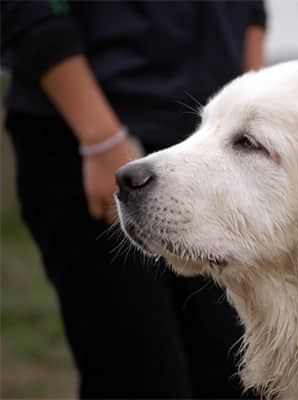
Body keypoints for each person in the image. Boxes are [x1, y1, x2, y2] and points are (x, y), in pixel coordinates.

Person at [1, 1, 266, 397]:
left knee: (236, 379)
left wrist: (256, 115)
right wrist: (100, 138)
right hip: (92, 136)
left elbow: (250, 12)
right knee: (142, 378)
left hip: (211, 153)